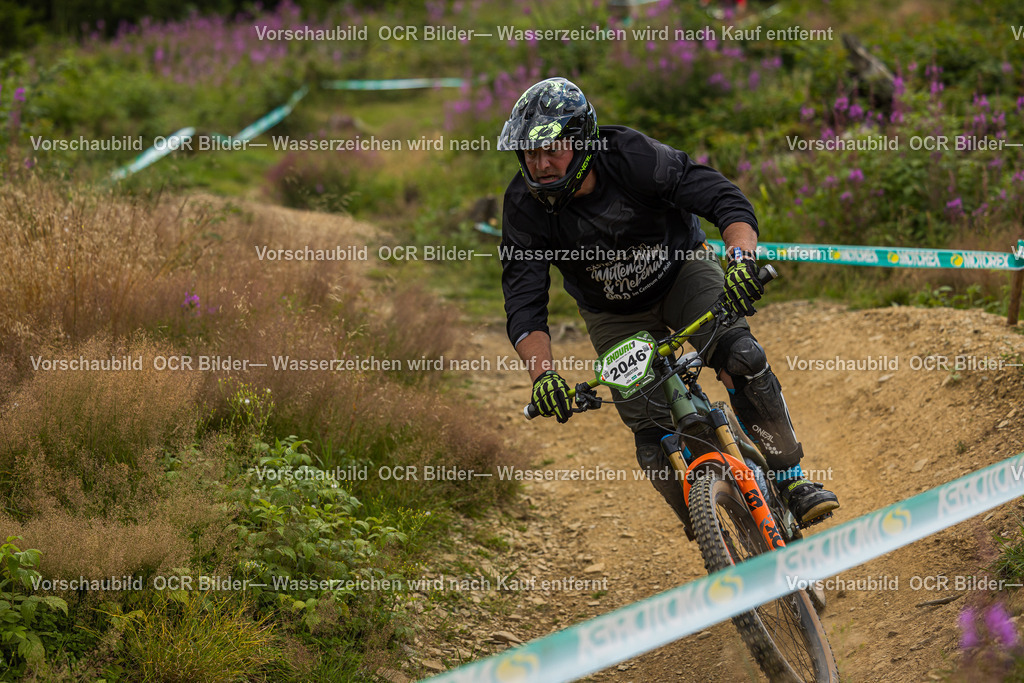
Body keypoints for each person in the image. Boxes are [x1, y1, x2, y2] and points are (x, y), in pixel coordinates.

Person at [497, 76, 839, 531]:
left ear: (581, 144)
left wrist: (739, 260)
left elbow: (724, 200)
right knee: (652, 437)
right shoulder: (523, 205)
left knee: (741, 355)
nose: (538, 164)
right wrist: (543, 376)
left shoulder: (633, 158)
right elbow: (524, 302)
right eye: (529, 153)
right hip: (611, 314)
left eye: (551, 150)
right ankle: (708, 530)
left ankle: (792, 480)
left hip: (681, 273)